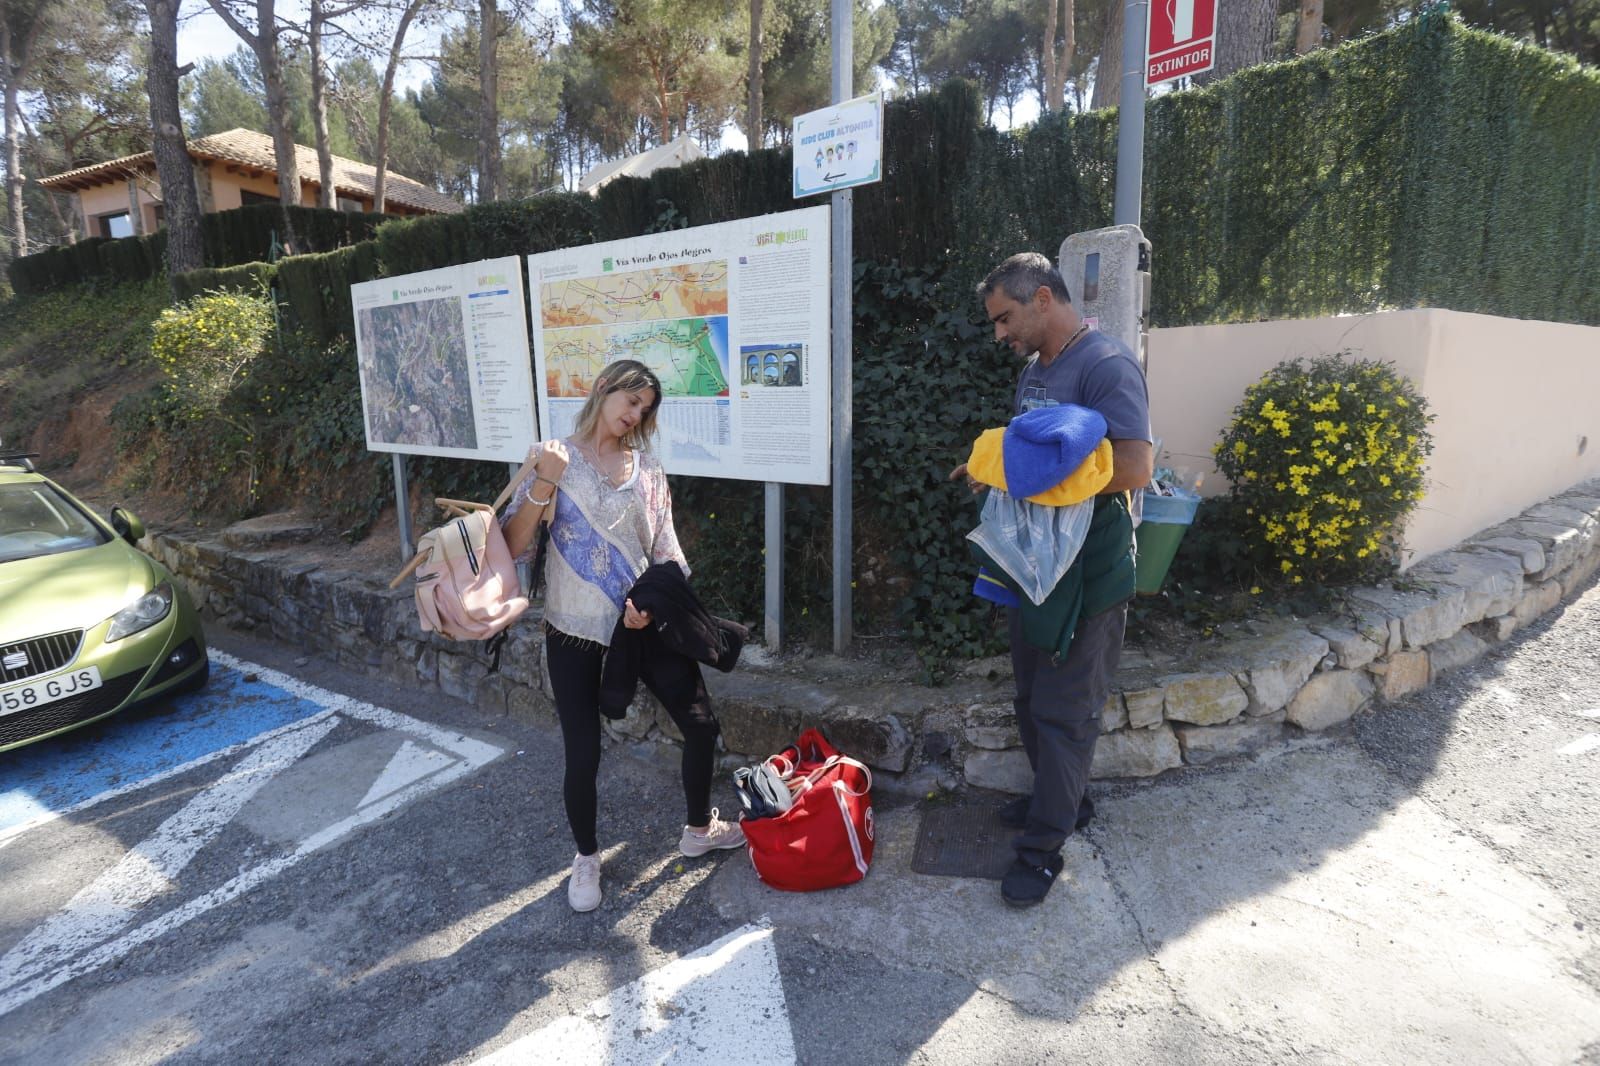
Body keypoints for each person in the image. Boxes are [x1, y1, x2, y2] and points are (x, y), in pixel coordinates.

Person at [503, 359, 745, 913]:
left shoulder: (648, 469)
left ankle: (698, 829)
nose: (635, 414)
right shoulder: (552, 458)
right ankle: (586, 857)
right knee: (583, 750)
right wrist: (544, 479)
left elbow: (667, 552)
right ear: (604, 389)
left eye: (645, 408)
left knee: (701, 727)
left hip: (644, 626)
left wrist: (651, 605)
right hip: (574, 629)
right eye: (630, 400)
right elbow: (515, 545)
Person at [950, 252, 1154, 907]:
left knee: (1064, 714)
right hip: (1035, 566)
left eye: (1005, 318)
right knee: (1030, 698)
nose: (1000, 334)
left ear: (1043, 299)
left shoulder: (1105, 365)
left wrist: (1029, 477)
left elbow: (1134, 467)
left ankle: (1042, 850)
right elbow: (1028, 452)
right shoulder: (1035, 372)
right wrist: (992, 468)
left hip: (1087, 575)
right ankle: (1064, 802)